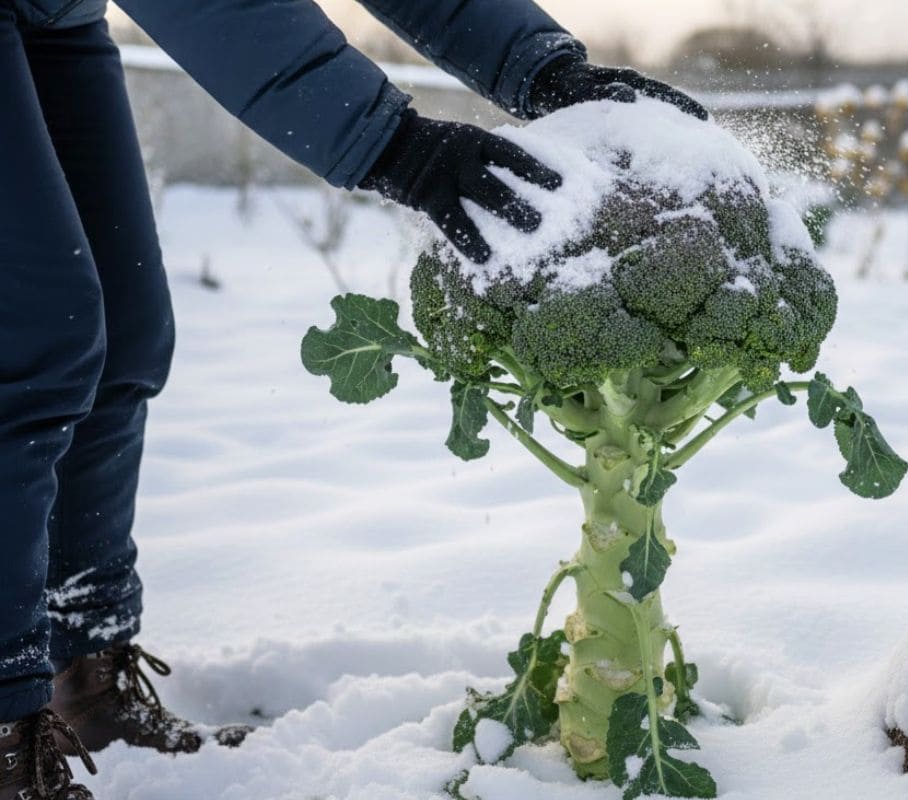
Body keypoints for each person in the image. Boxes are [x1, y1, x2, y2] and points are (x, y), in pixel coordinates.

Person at [0, 0, 707, 796]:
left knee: (125, 338)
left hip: (52, 16)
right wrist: (393, 144)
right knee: (28, 348)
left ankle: (84, 676)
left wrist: (539, 66)